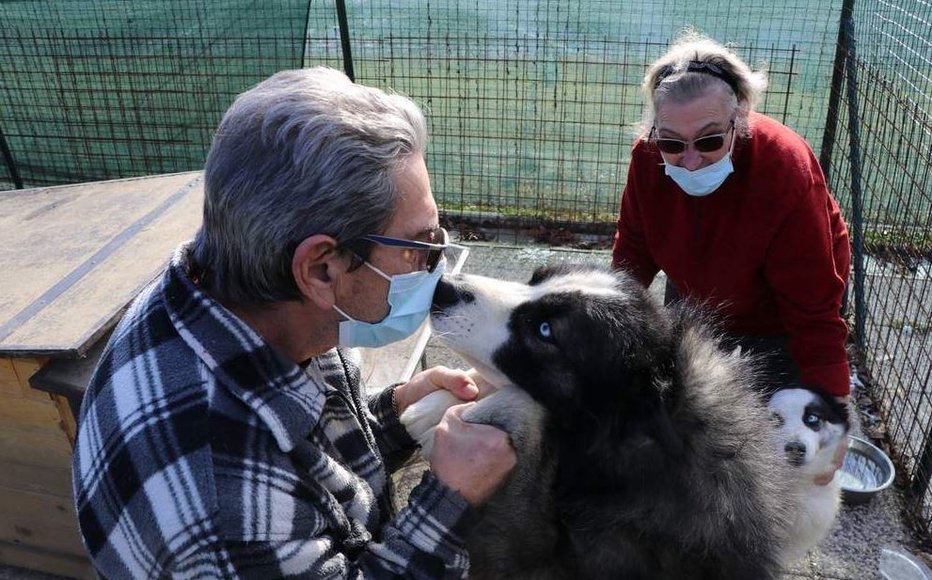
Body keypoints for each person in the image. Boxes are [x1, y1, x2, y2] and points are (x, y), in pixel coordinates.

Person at [72, 67, 516, 578]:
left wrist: (395, 417)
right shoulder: (224, 510)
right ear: (321, 269)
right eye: (422, 245)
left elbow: (301, 460)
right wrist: (452, 499)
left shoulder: (240, 294)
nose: (436, 266)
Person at [612, 33, 851, 483]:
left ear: (740, 118)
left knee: (769, 428)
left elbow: (814, 313)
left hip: (780, 308)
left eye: (708, 141)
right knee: (693, 408)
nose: (689, 162)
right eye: (671, 143)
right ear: (654, 131)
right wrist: (604, 319)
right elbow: (633, 252)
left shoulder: (784, 170)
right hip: (697, 284)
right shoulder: (647, 159)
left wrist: (834, 411)